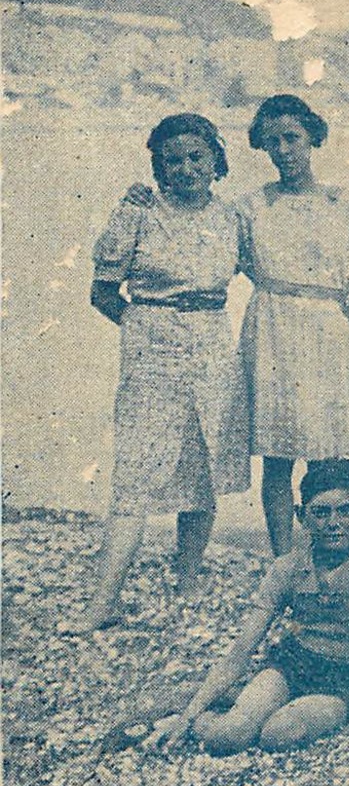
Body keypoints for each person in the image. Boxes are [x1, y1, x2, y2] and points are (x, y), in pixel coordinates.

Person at [63, 113, 250, 634]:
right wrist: (145, 328)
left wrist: (335, 302)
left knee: (204, 462)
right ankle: (103, 601)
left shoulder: (234, 217)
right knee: (136, 473)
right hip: (152, 353)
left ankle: (187, 581)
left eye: (197, 157)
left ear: (216, 160)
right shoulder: (137, 213)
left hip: (215, 346)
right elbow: (102, 293)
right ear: (159, 168)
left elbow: (273, 276)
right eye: (174, 161)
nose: (187, 169)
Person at [237, 94, 349, 556]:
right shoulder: (251, 206)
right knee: (277, 456)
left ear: (312, 138)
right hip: (272, 328)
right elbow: (228, 258)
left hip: (325, 332)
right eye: (272, 142)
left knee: (329, 448)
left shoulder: (340, 201)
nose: (283, 150)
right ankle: (282, 558)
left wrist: (344, 289)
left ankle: (334, 551)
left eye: (292, 138)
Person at [150, 459, 349, 753]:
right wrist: (187, 719)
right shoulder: (288, 567)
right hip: (294, 663)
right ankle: (191, 712)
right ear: (301, 516)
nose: (334, 523)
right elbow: (242, 649)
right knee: (227, 736)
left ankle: (231, 700)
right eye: (321, 512)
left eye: (347, 510)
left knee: (279, 734)